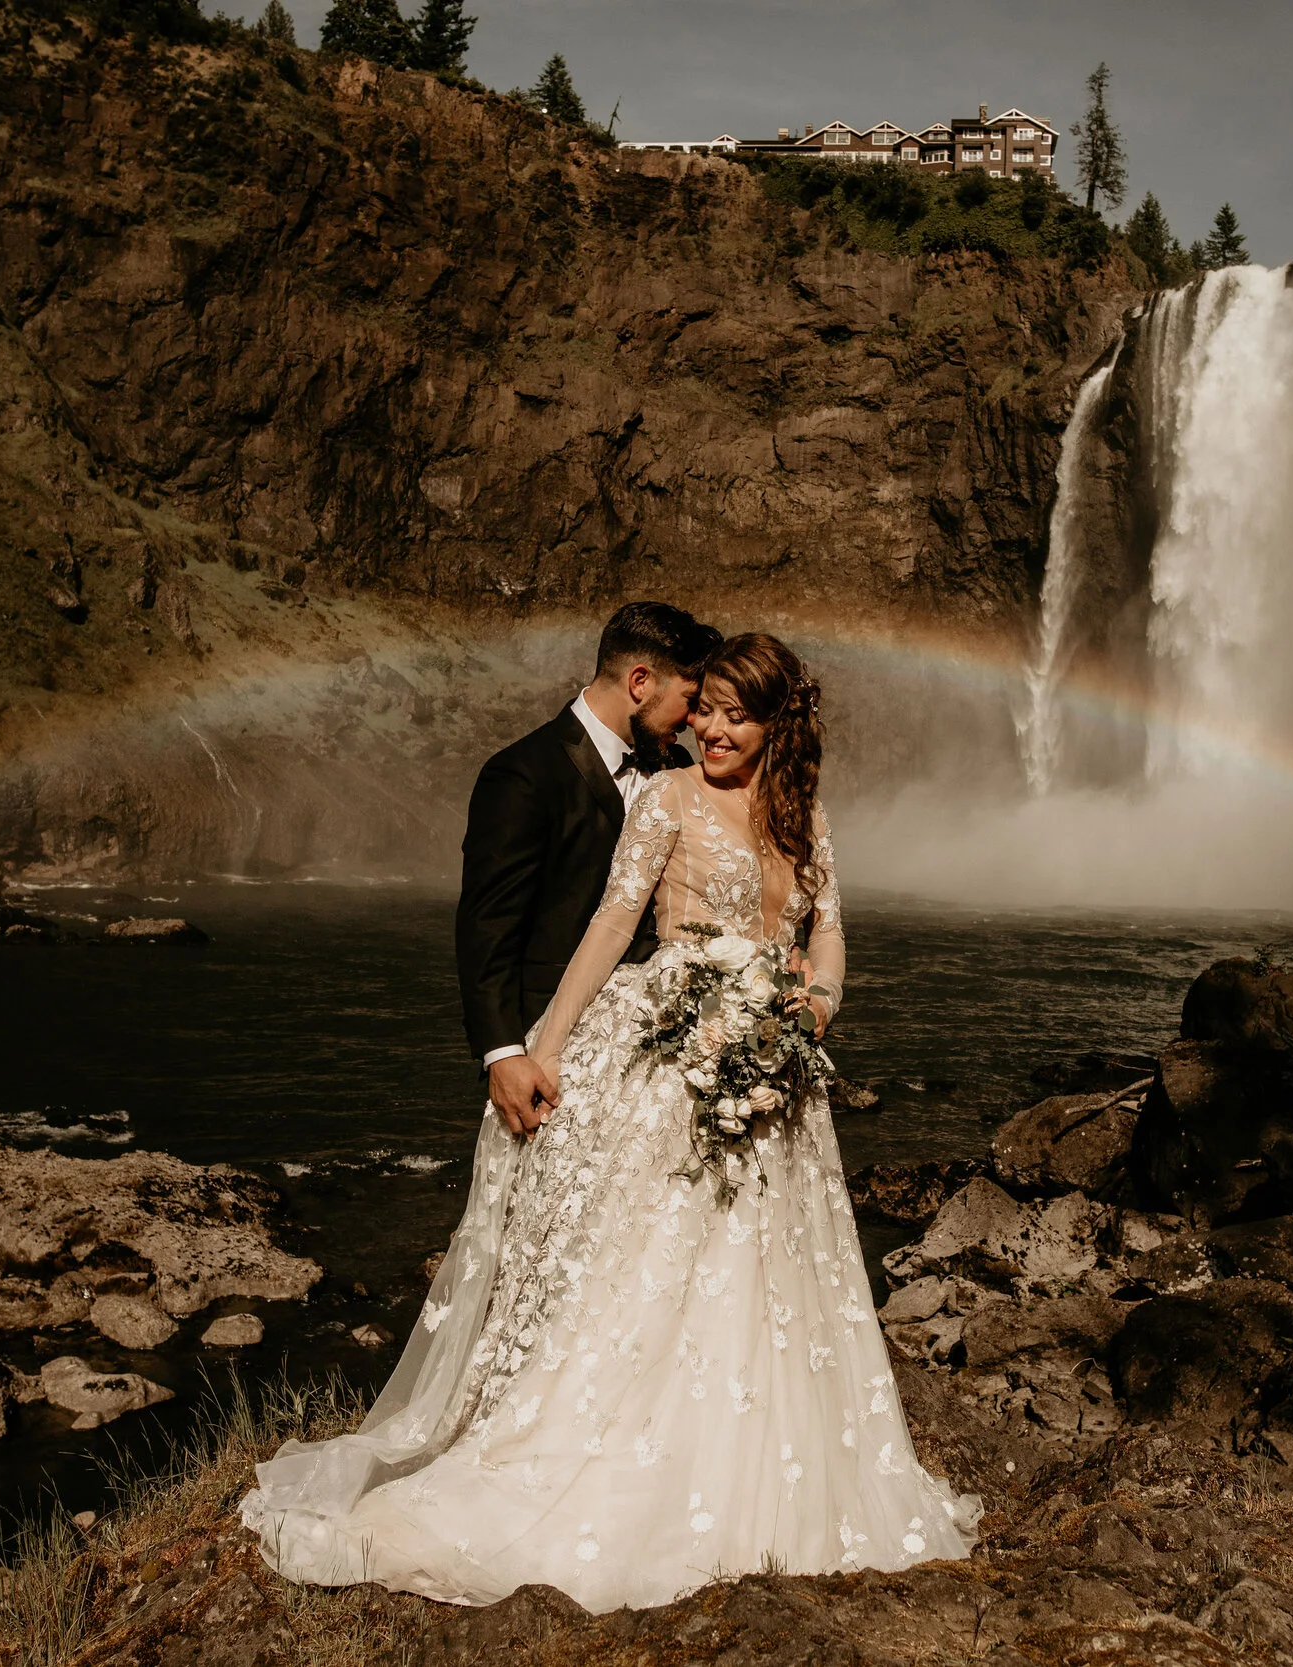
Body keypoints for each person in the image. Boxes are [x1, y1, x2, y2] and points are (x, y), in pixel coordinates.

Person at [242, 633, 981, 1609]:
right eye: (705, 706)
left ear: (777, 725)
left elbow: (827, 926)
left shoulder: (804, 813)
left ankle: (756, 1474)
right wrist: (539, 1044)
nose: (711, 727)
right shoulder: (666, 797)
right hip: (670, 1047)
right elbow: (606, 920)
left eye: (734, 714)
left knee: (767, 1273)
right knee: (660, 1263)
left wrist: (817, 1002)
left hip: (773, 1064)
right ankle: (626, 1462)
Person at [454, 601, 720, 1143]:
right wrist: (504, 1055)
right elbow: (487, 927)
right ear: (640, 682)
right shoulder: (522, 774)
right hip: (551, 1052)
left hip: (656, 1054)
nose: (694, 723)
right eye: (689, 702)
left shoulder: (678, 774)